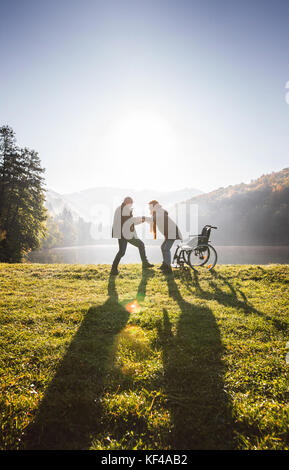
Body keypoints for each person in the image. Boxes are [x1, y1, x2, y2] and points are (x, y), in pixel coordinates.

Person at [111, 197, 154, 275]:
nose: (132, 205)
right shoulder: (124, 210)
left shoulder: (122, 208)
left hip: (123, 233)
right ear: (128, 203)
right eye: (131, 204)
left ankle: (113, 269)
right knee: (140, 245)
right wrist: (143, 219)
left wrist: (142, 221)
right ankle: (145, 264)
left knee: (121, 252)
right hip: (125, 234)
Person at [147, 200, 182, 274]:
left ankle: (168, 269)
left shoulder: (159, 211)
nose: (149, 208)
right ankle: (164, 264)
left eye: (150, 206)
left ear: (154, 206)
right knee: (163, 247)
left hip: (172, 233)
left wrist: (143, 218)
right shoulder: (157, 211)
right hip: (169, 233)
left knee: (166, 249)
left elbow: (154, 219)